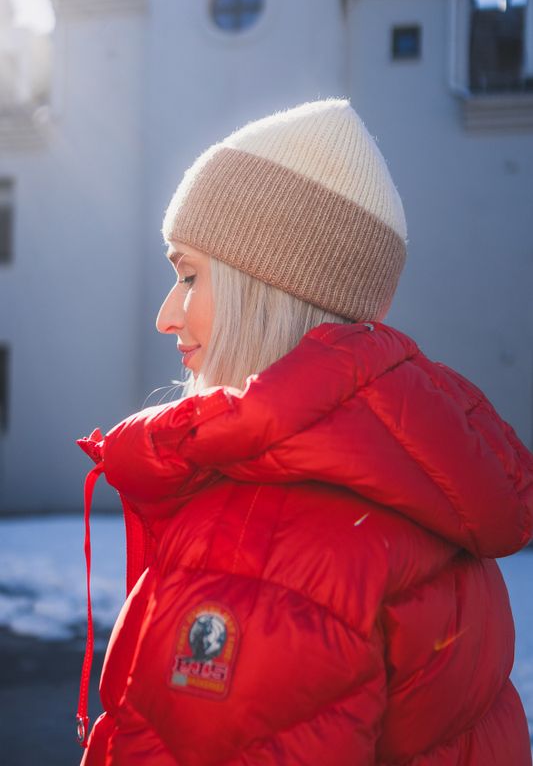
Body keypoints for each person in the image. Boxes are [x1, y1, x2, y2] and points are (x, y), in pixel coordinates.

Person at [76, 99, 533, 765]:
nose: (166, 315)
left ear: (265, 290)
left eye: (189, 274)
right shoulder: (413, 494)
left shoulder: (270, 534)